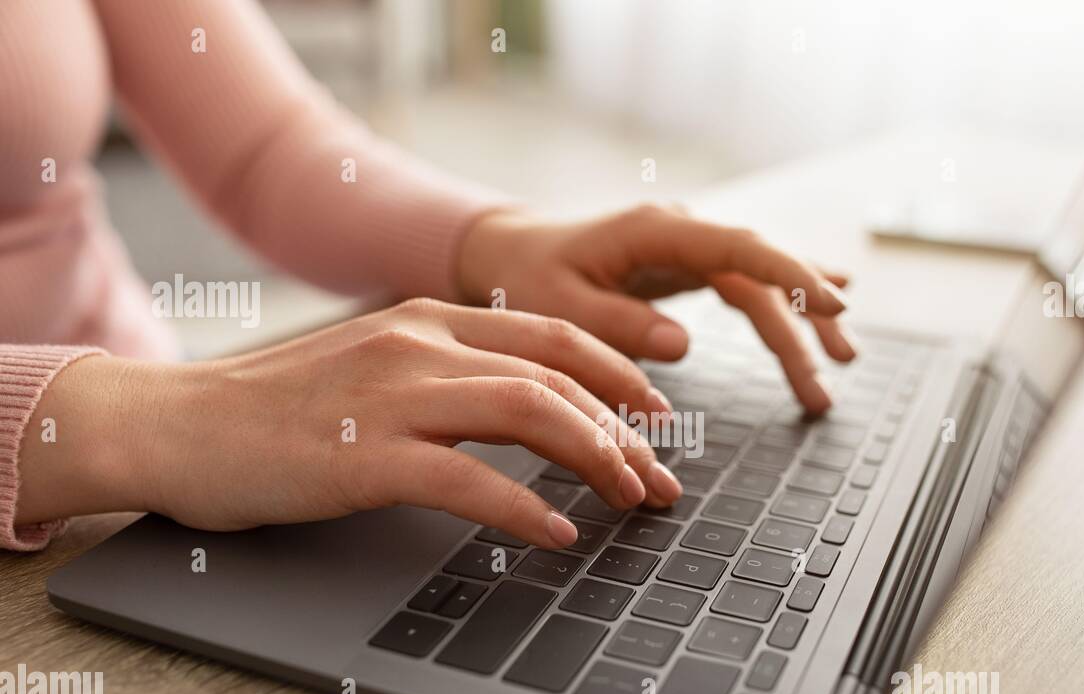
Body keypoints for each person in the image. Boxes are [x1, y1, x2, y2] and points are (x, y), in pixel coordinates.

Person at [0, 0, 854, 553]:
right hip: (100, 474)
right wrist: (169, 420)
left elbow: (264, 152)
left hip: (145, 422)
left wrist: (501, 245)